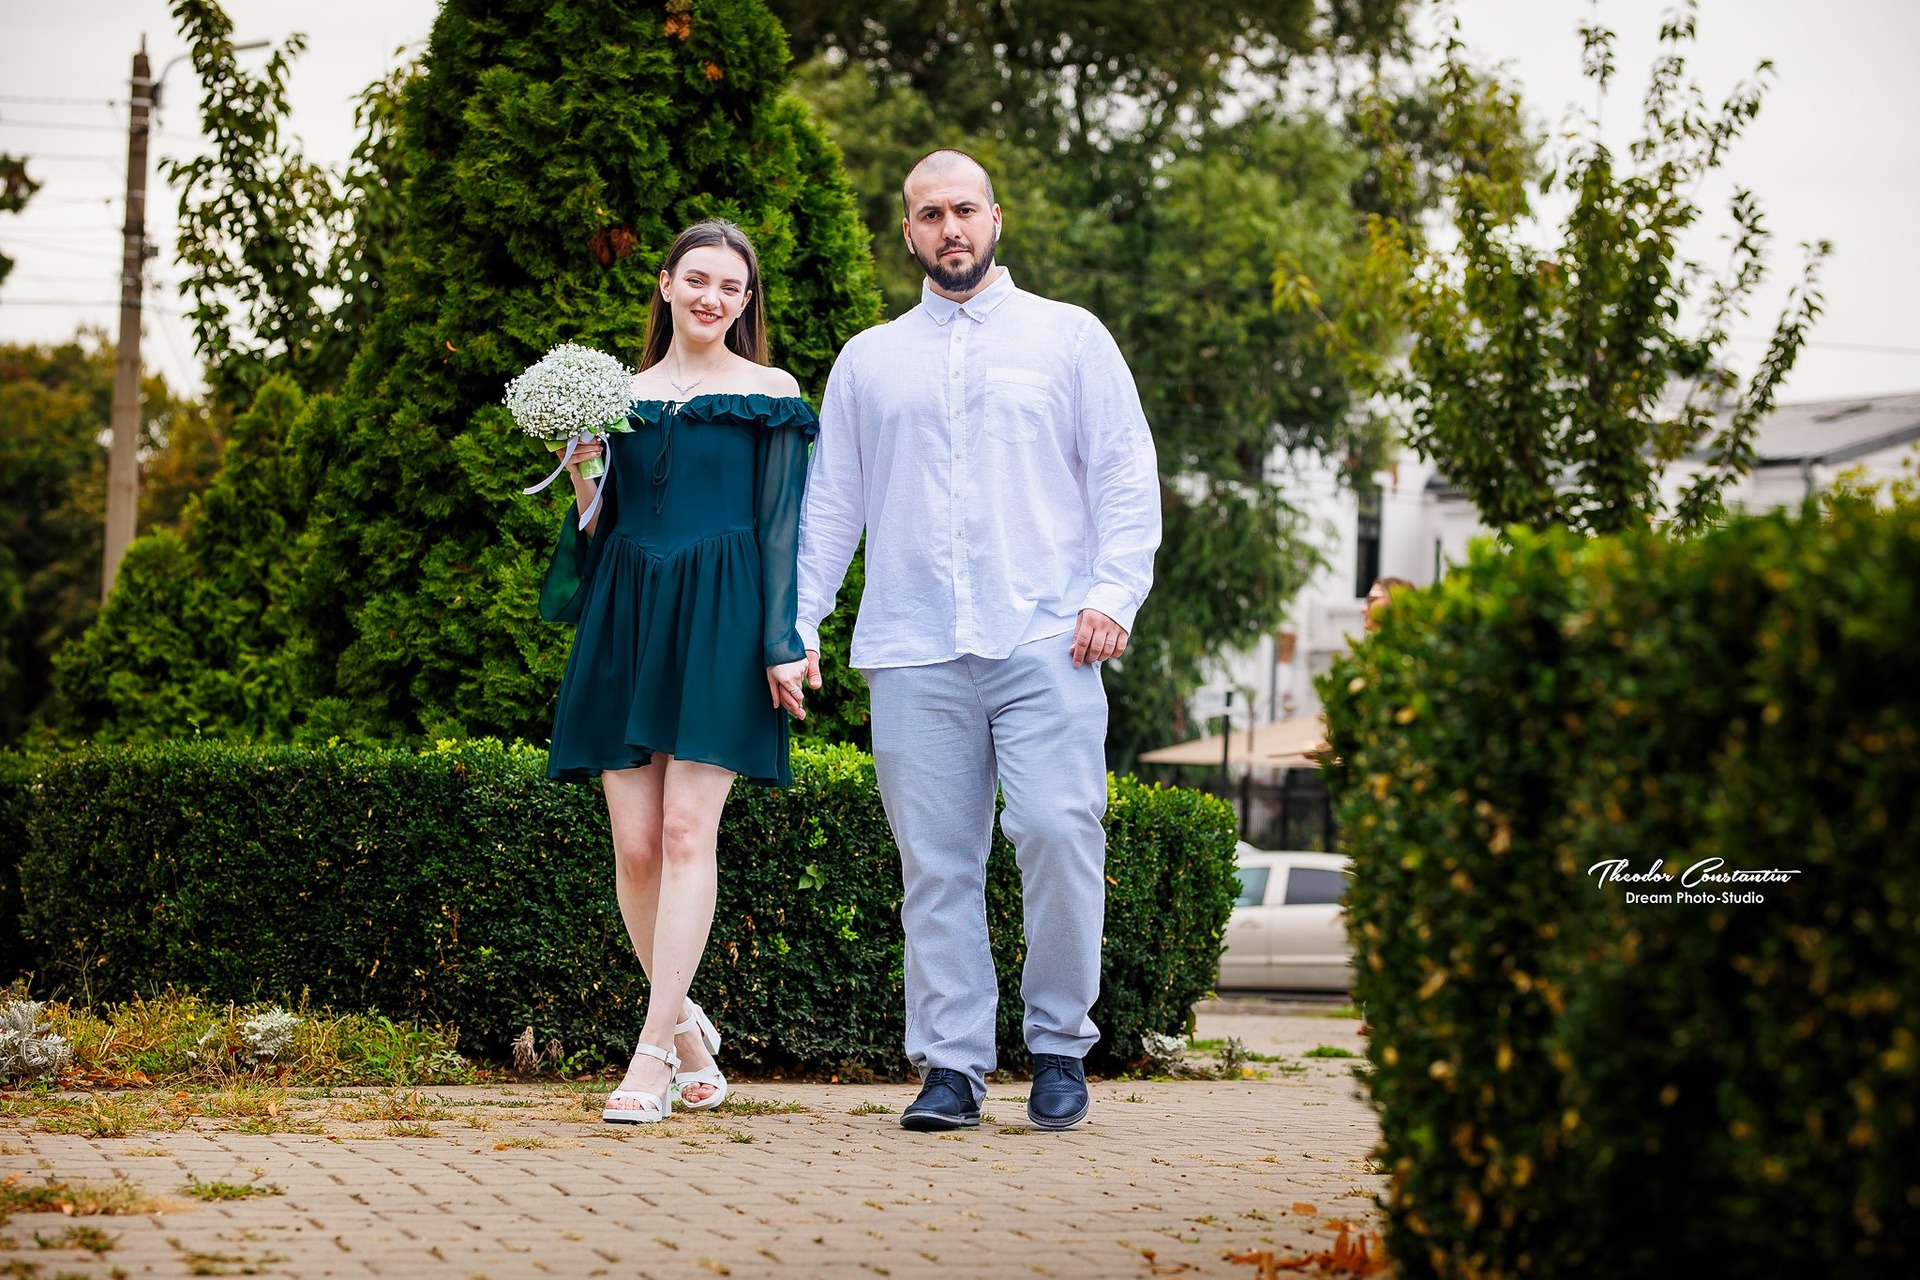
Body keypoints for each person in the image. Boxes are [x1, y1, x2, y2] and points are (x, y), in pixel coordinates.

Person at [793, 149, 1162, 1132]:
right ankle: (952, 1067)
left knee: (1060, 829)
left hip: (1049, 636)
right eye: (929, 214)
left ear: (996, 219)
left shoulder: (1069, 337)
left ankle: (1059, 1046)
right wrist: (800, 621)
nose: (948, 227)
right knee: (937, 864)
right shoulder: (869, 359)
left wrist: (1114, 593)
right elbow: (831, 505)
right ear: (907, 232)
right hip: (913, 645)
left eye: (963, 209)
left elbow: (1125, 475)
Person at [539, 219, 816, 1124]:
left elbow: (781, 529)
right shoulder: (615, 395)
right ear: (665, 285)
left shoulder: (771, 393)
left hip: (723, 617)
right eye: (697, 279)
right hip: (627, 614)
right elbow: (597, 532)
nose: (712, 297)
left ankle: (652, 1055)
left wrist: (782, 641)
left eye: (731, 287)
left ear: (745, 302)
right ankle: (692, 1034)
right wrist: (582, 472)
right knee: (637, 848)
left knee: (690, 831)